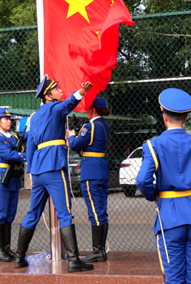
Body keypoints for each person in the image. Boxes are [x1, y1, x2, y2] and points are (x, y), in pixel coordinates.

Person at [136, 88, 191, 284]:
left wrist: (154, 195)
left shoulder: (152, 145)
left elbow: (142, 181)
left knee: (173, 278)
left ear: (164, 117)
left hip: (169, 217)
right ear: (187, 117)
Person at [14, 75, 94, 272]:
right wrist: (81, 92)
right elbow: (68, 104)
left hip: (38, 170)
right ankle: (73, 261)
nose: (60, 90)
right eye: (56, 89)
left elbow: (30, 145)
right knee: (64, 213)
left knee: (33, 213)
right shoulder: (54, 108)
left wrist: (31, 171)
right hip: (54, 166)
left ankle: (19, 258)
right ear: (48, 96)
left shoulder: (35, 116)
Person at [67, 97, 111, 263]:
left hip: (91, 170)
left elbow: (75, 145)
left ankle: (98, 251)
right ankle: (100, 250)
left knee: (95, 211)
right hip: (101, 169)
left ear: (92, 109)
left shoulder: (90, 126)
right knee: (101, 210)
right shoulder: (104, 125)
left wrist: (72, 136)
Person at [0, 108, 27, 262]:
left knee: (10, 215)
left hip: (13, 179)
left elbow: (28, 137)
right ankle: (0, 251)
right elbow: (8, 154)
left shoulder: (13, 137)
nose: (9, 121)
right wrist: (26, 156)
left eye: (10, 119)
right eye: (6, 119)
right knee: (0, 215)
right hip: (2, 179)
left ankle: (6, 248)